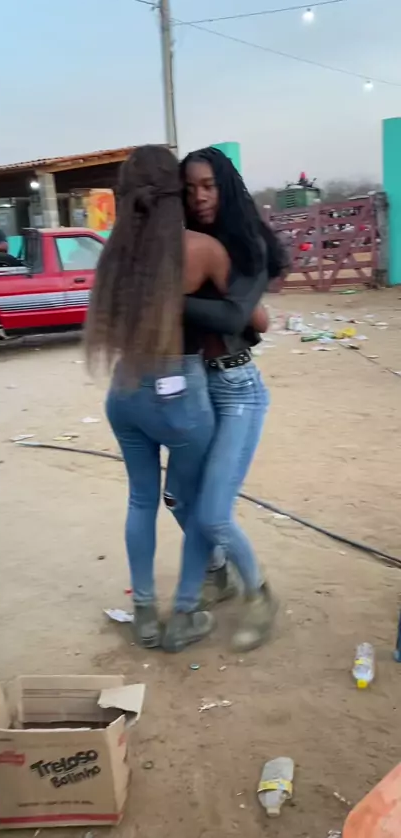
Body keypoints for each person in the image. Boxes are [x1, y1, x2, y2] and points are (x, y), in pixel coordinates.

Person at [85, 145, 265, 653]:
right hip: (180, 396)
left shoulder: (114, 256)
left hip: (124, 392)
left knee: (142, 500)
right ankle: (185, 614)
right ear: (175, 194)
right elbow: (254, 319)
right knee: (198, 503)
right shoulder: (201, 250)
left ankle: (144, 612)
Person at [173, 146, 288, 651]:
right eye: (189, 188)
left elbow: (234, 316)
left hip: (238, 389)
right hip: (195, 384)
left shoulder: (249, 244)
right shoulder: (188, 245)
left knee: (214, 512)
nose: (199, 196)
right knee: (178, 498)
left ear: (225, 186)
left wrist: (166, 298)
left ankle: (259, 595)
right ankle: (216, 572)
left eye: (208, 185)